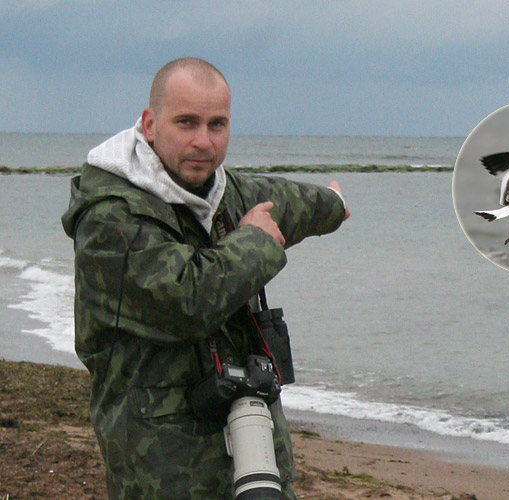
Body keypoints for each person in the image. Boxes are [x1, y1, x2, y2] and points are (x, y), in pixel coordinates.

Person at [61, 57, 349, 499]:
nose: (203, 141)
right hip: (164, 474)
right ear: (150, 124)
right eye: (187, 122)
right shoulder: (109, 218)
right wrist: (254, 242)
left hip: (255, 463)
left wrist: (332, 205)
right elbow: (185, 300)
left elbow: (288, 204)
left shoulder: (222, 191)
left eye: (217, 125)